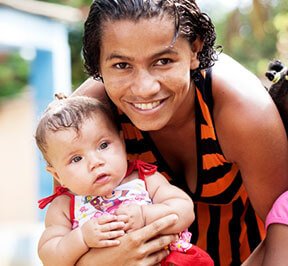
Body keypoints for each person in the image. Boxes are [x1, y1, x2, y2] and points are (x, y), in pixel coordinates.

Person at [69, 0, 288, 265]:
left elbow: (282, 231)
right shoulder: (83, 121)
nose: (145, 88)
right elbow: (63, 234)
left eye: (163, 61)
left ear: (195, 49)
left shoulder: (242, 110)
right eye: (122, 66)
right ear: (97, 63)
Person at [36, 95, 214, 266]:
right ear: (57, 175)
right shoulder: (64, 207)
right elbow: (50, 256)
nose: (96, 162)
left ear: (122, 142)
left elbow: (184, 210)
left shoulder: (143, 179)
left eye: (103, 145)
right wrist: (82, 237)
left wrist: (145, 215)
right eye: (76, 159)